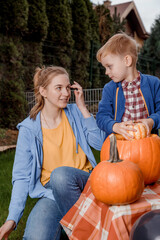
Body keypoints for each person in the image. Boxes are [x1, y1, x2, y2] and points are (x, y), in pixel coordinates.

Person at [0, 66, 106, 240]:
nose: (65, 93)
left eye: (67, 87)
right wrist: (12, 219)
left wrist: (83, 109)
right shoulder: (28, 129)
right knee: (36, 237)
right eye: (59, 88)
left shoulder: (75, 113)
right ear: (43, 91)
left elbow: (100, 144)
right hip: (52, 192)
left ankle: (84, 232)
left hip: (85, 182)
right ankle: (81, 226)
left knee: (61, 175)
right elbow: (21, 177)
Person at [96, 32, 160, 139]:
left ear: (127, 60)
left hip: (147, 144)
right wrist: (115, 126)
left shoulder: (153, 84)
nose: (106, 72)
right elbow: (101, 117)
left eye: (109, 66)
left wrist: (151, 121)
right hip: (120, 146)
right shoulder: (109, 89)